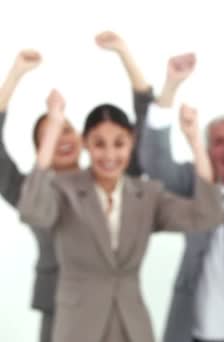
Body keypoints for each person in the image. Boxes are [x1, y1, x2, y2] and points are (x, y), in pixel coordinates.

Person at [17, 89, 223, 342]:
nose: (110, 155)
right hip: (77, 326)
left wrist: (195, 142)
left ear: (131, 143)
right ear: (86, 144)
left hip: (131, 325)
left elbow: (207, 216)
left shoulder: (147, 195)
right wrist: (53, 129)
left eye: (119, 143)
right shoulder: (65, 190)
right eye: (99, 144)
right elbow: (32, 210)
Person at [0, 33, 156, 341]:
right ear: (39, 150)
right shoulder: (30, 191)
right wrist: (14, 75)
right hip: (59, 303)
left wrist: (124, 53)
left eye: (67, 129)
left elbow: (146, 127)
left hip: (113, 304)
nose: (62, 138)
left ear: (83, 138)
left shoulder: (111, 180)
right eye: (51, 134)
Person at [139, 99, 224, 341]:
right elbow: (156, 164)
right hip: (203, 335)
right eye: (219, 142)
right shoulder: (194, 187)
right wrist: (169, 100)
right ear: (208, 153)